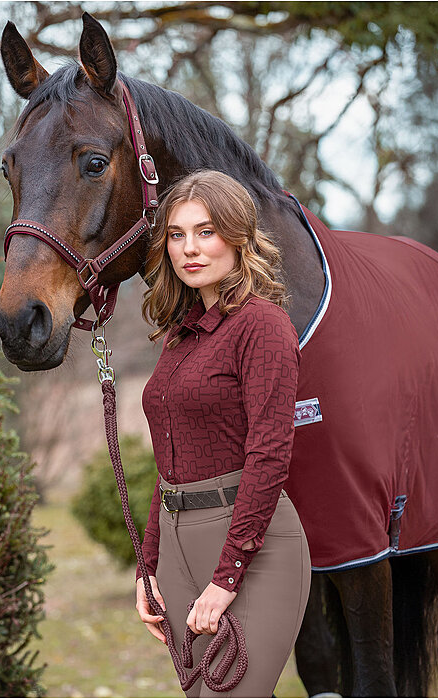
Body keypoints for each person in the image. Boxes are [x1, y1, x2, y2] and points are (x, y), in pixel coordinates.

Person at [135, 170, 311, 697]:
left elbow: (269, 455)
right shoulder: (180, 336)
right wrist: (147, 567)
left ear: (238, 236)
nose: (189, 248)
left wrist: (227, 574)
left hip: (249, 545)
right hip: (176, 548)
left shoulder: (262, 325)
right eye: (176, 234)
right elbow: (170, 466)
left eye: (206, 231)